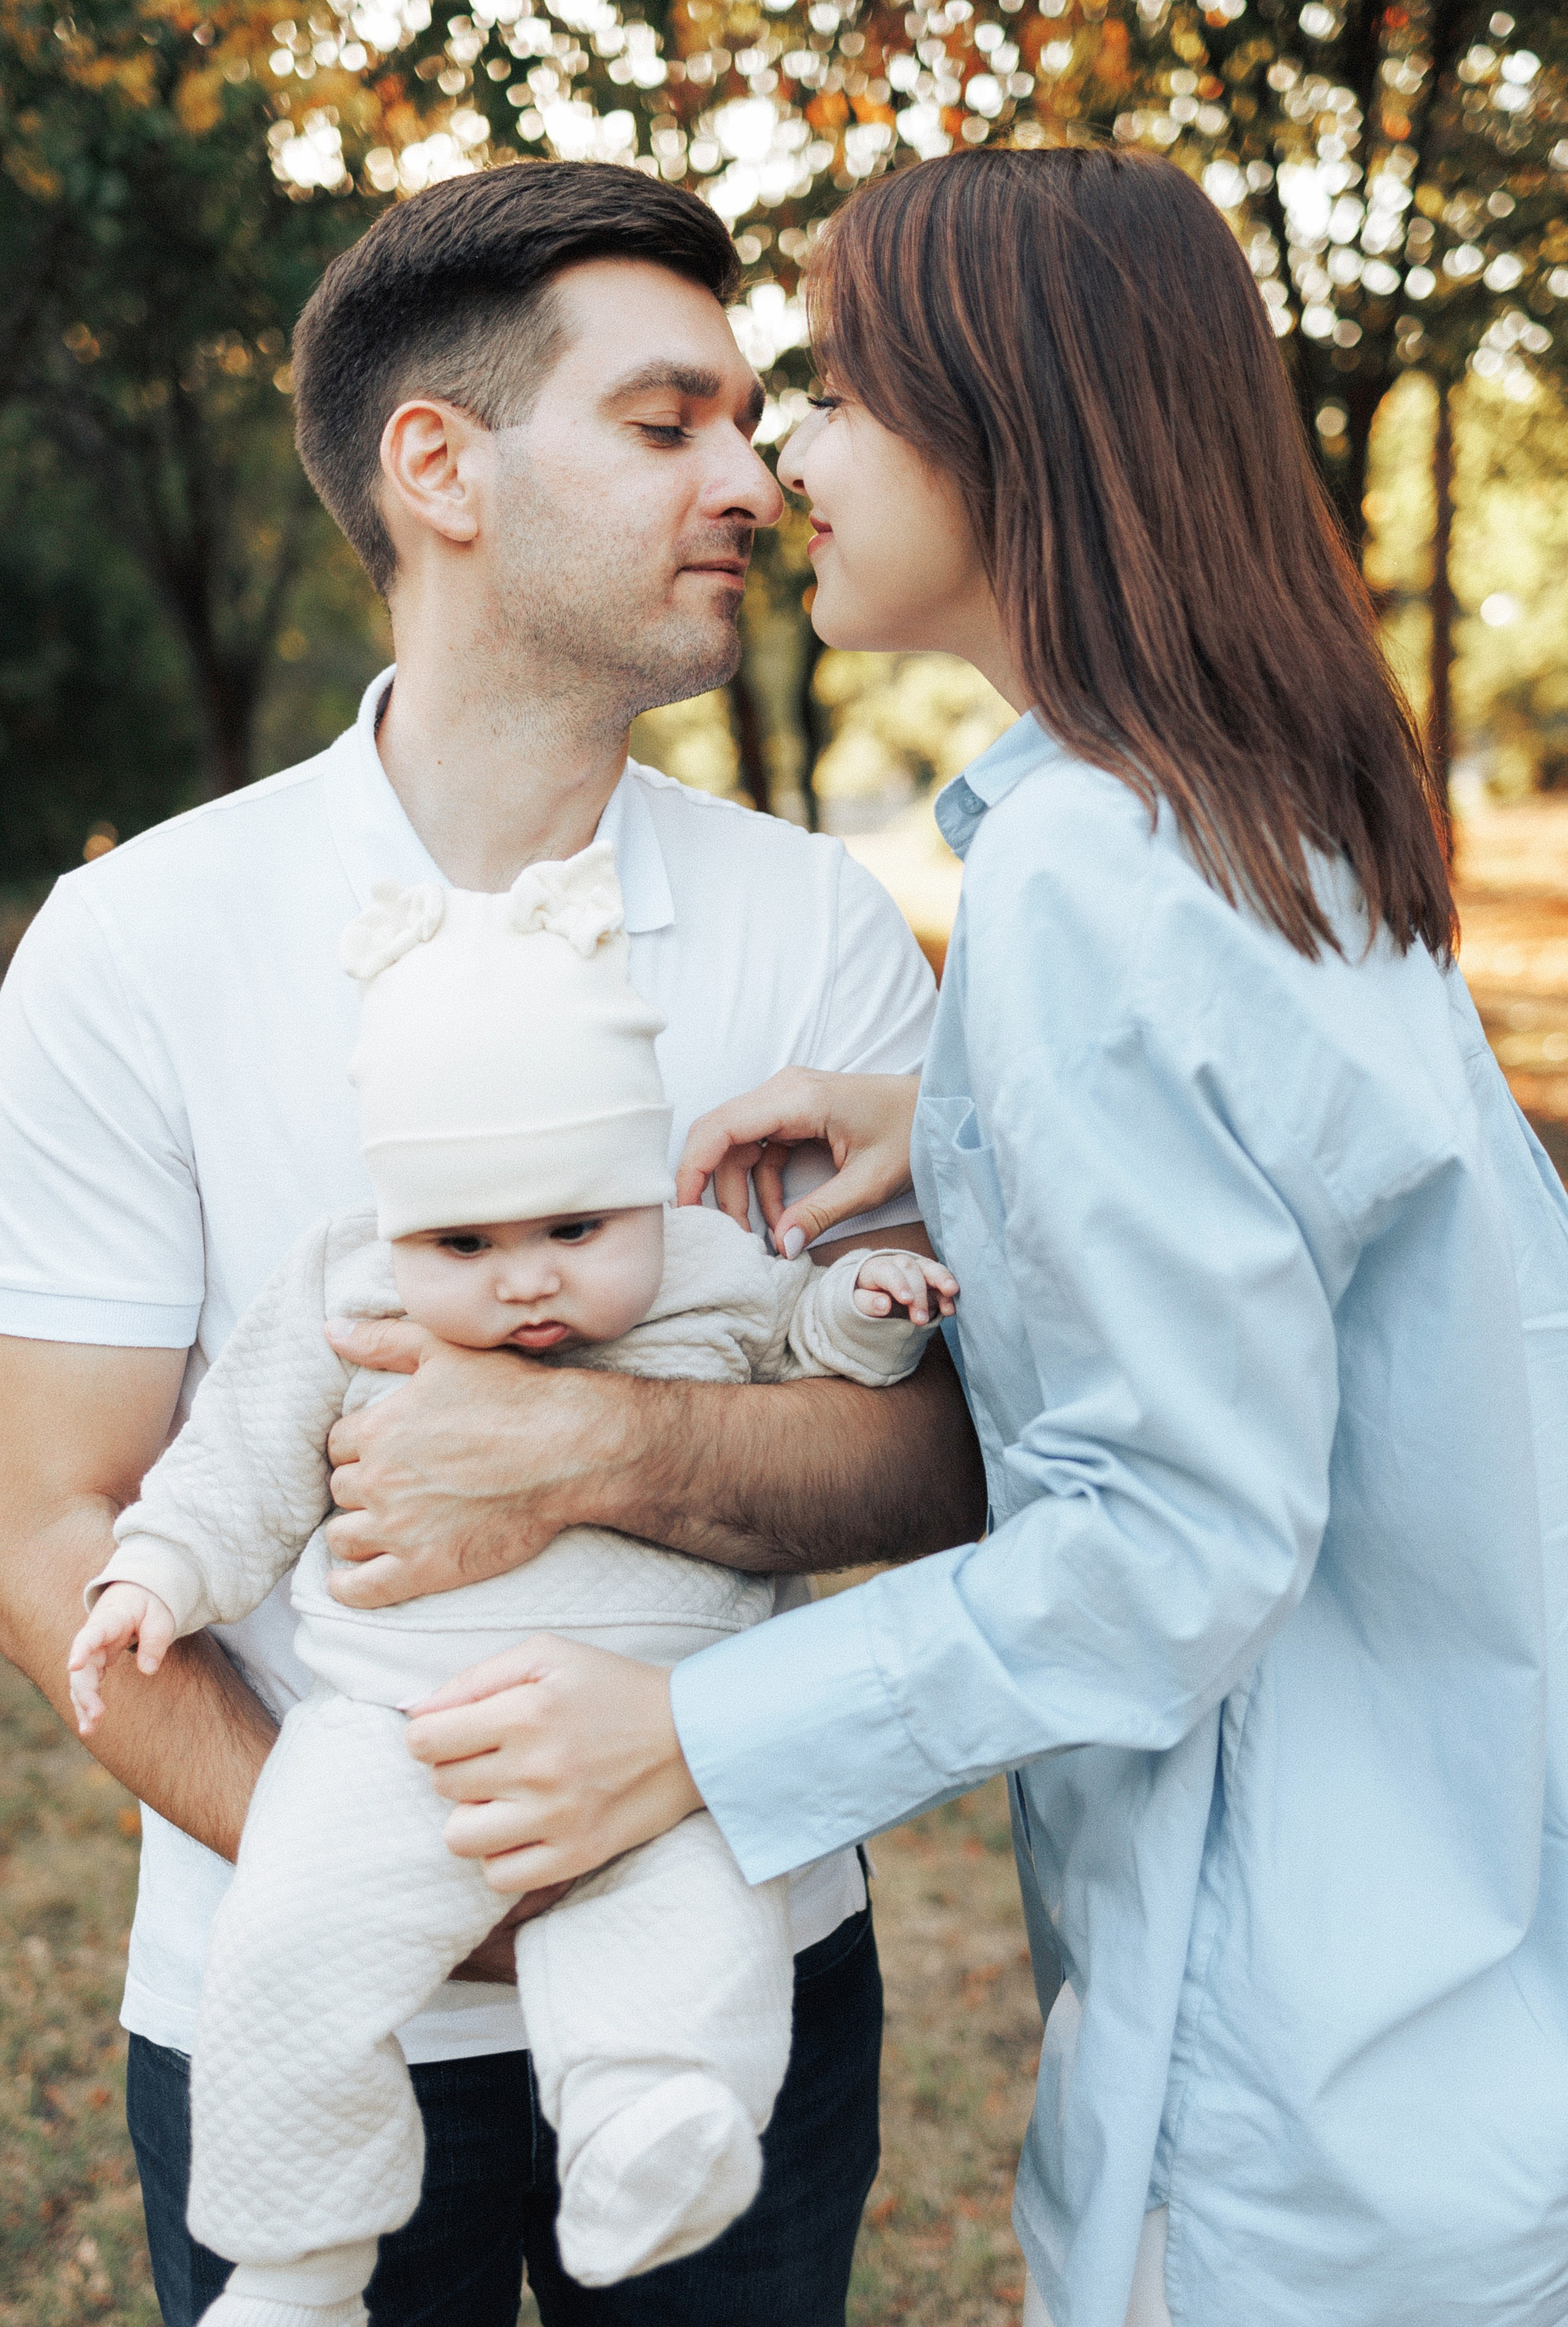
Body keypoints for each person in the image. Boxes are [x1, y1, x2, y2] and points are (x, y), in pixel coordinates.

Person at [381, 149, 1568, 2327]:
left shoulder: (1092, 884)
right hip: (1466, 1999)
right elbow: (1358, 1223)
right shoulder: (1273, 819)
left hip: (1302, 2106)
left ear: (1015, 421)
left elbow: (1178, 1541)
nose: (789, 453)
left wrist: (694, 1740)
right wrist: (974, 1132)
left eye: (843, 389)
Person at [0, 160, 986, 2327]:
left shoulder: (816, 936)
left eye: (749, 419)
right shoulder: (132, 945)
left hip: (745, 1974)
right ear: (433, 467)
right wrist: (411, 1900)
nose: (755, 477)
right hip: (293, 1986)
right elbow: (62, 1523)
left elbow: (958, 1462)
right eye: (667, 425)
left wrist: (591, 1455)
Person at [68, 841, 957, 2326]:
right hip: (385, 1745)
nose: (526, 1279)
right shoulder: (344, 1289)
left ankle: (642, 2146)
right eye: (464, 1243)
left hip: (671, 1751)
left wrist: (871, 1313)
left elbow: (820, 1358)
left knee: (691, 1952)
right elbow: (234, 1467)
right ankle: (295, 2260)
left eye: (571, 1229)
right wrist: (156, 1573)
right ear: (395, 1220)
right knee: (287, 1947)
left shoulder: (704, 1270)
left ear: (637, 1189)